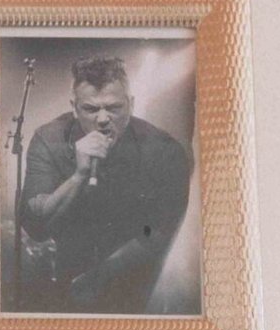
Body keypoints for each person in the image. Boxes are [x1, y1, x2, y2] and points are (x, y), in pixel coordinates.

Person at [19, 56, 193, 313]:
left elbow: (161, 232)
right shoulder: (49, 139)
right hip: (65, 280)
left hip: (136, 283)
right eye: (90, 109)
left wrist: (100, 277)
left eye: (113, 108)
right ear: (74, 107)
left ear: (131, 105)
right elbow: (36, 226)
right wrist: (79, 175)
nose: (102, 119)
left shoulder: (163, 150)